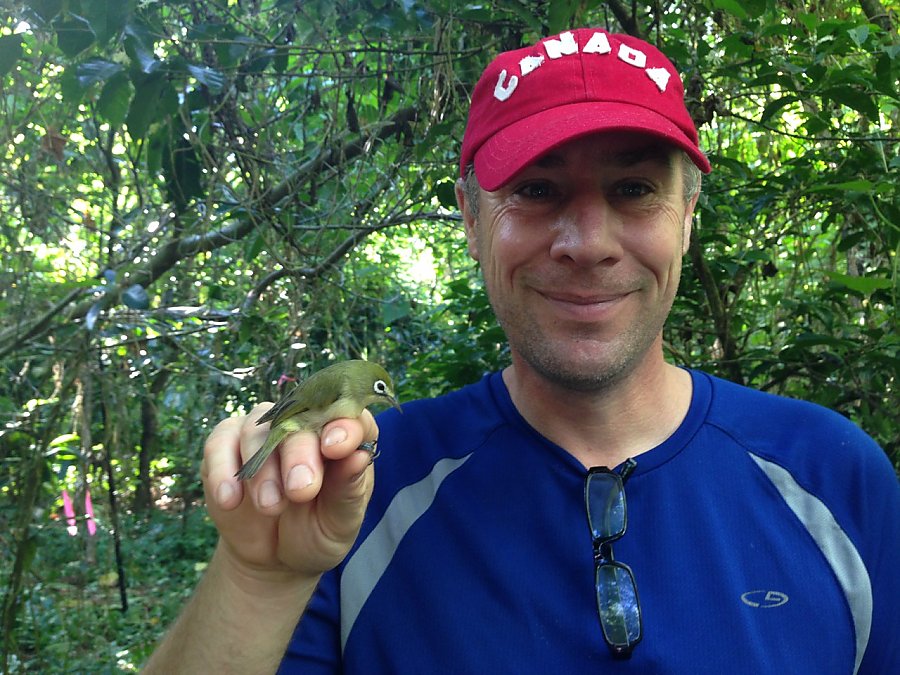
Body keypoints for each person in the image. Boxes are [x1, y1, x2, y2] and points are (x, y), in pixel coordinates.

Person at [145, 27, 900, 674]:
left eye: (634, 189)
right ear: (472, 222)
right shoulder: (359, 485)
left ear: (688, 216)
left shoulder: (834, 474)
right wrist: (257, 575)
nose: (588, 244)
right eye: (537, 191)